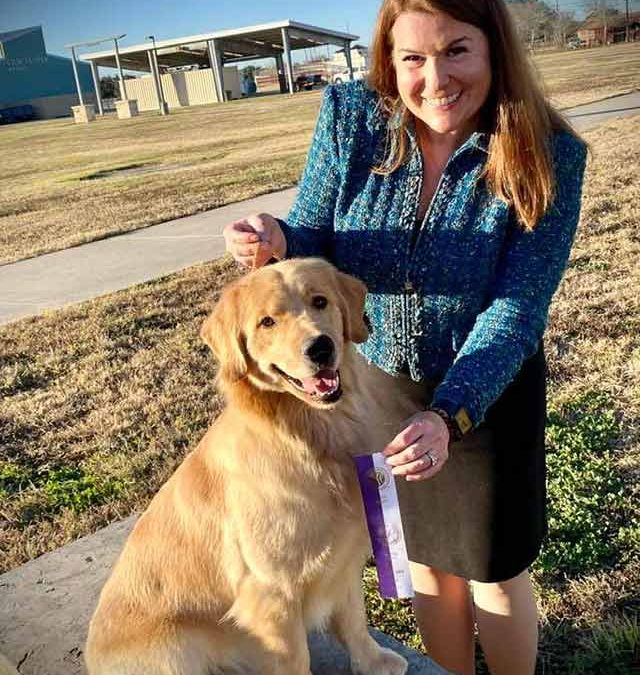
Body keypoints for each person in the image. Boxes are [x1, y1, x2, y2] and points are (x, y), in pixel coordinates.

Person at [222, 1, 587, 673]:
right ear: (389, 61)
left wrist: (448, 413)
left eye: (457, 51)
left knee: (493, 573)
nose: (435, 80)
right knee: (419, 561)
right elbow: (314, 235)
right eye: (412, 58)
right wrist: (279, 241)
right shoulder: (351, 119)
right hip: (376, 391)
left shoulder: (550, 154)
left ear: (494, 50)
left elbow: (517, 310)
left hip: (485, 389)